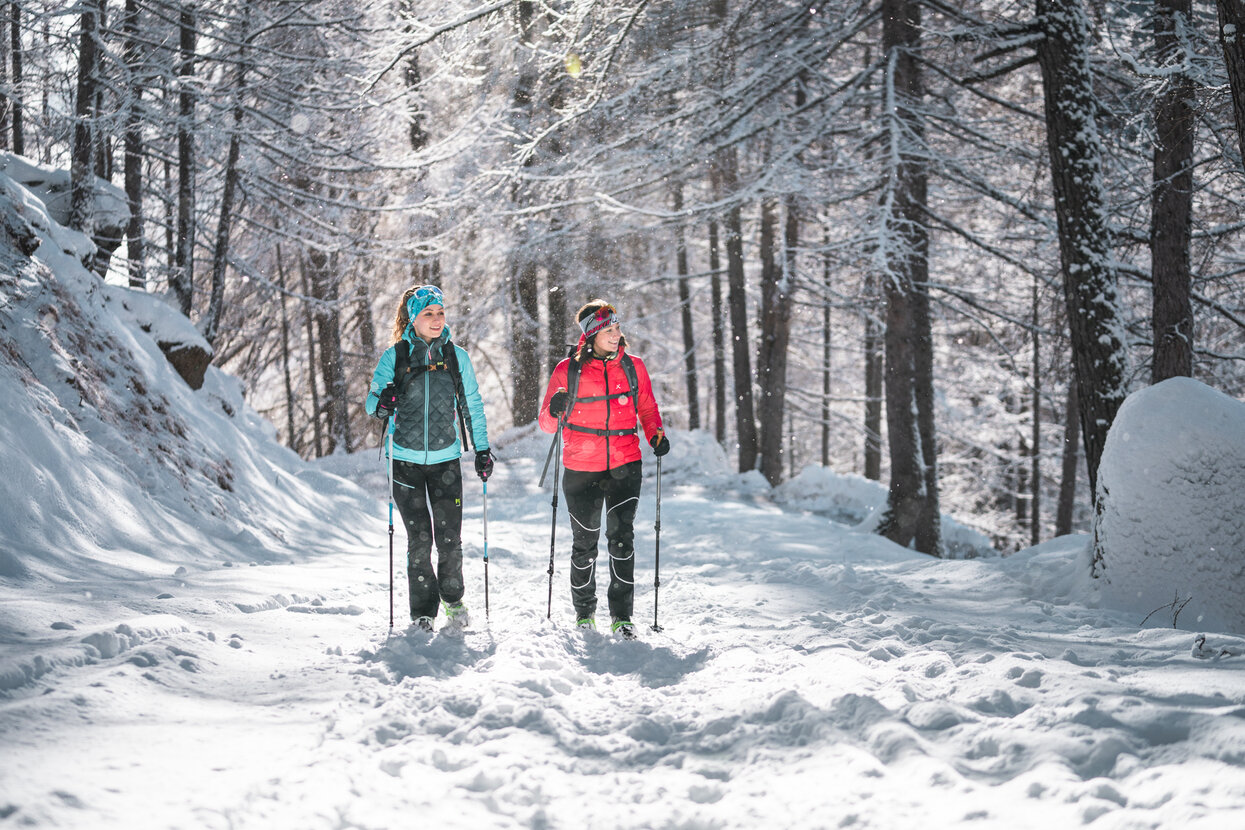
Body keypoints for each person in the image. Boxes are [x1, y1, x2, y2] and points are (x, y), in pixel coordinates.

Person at [539, 299, 669, 639]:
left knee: (622, 540)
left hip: (626, 465)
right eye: (608, 330)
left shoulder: (634, 366)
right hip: (581, 469)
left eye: (617, 328)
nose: (616, 335)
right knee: (585, 542)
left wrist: (656, 434)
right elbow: (546, 425)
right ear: (591, 335)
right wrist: (554, 409)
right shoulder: (567, 370)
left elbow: (647, 408)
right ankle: (584, 613)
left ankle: (622, 617)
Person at [365, 285, 492, 633]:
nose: (437, 320)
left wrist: (482, 449)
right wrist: (383, 402)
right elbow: (372, 403)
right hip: (404, 463)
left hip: (445, 462)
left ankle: (453, 599)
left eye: (440, 313)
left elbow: (472, 404)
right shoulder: (396, 356)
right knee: (419, 540)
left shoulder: (456, 357)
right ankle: (422, 612)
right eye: (428, 314)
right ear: (413, 319)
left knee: (449, 540)